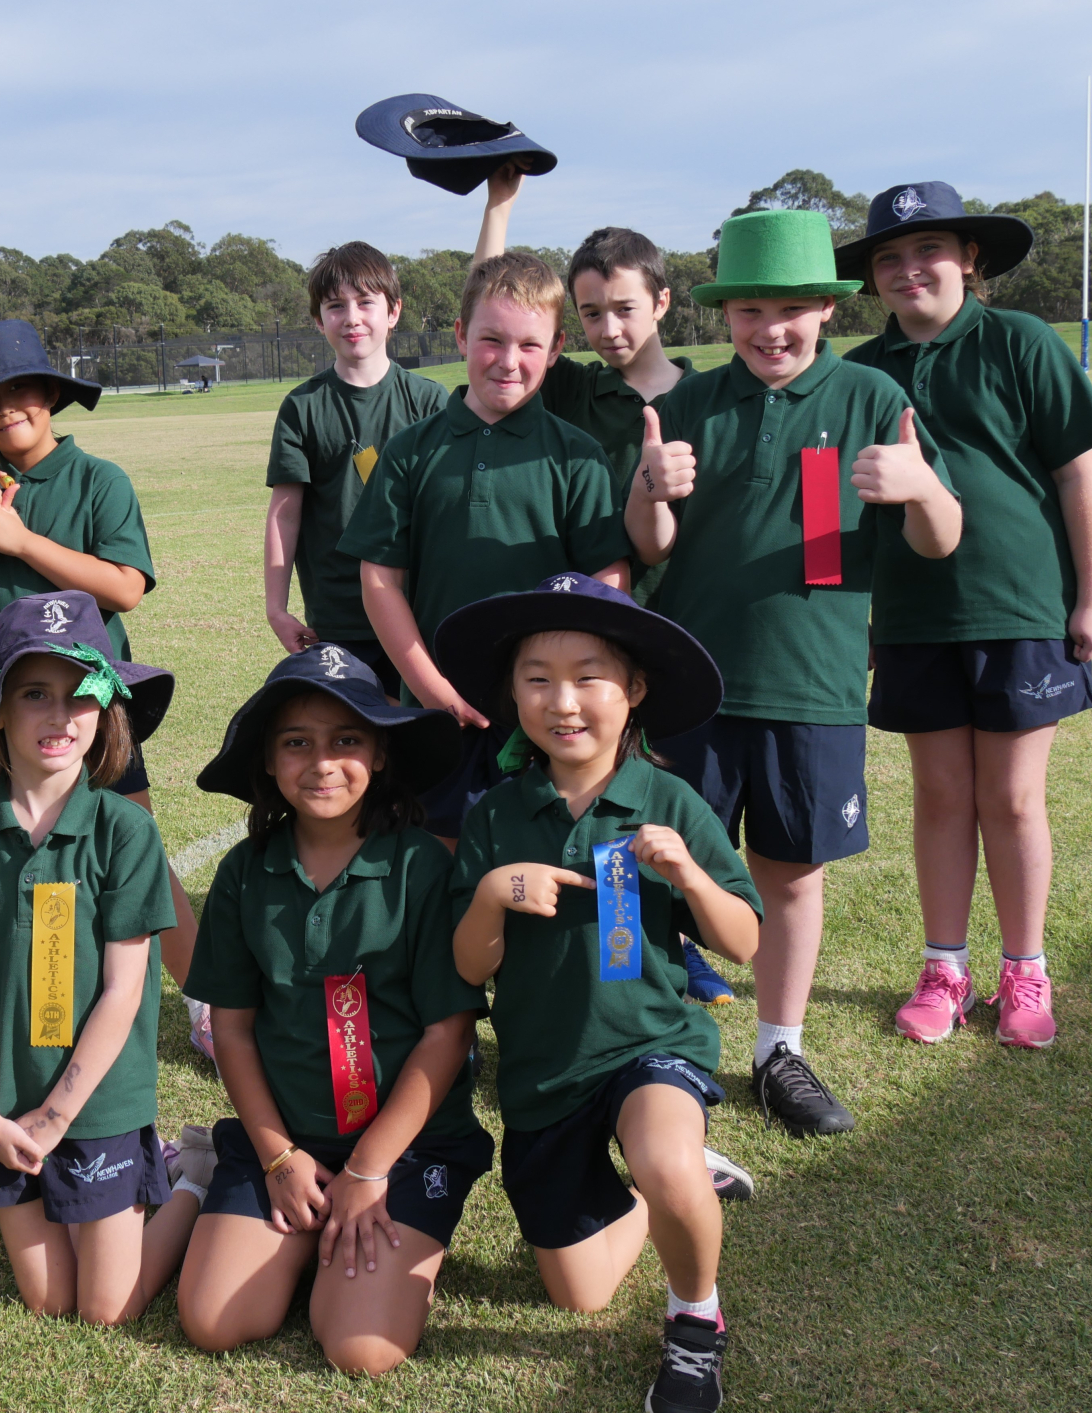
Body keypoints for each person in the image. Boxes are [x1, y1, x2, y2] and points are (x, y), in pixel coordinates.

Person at [625, 209, 963, 1137]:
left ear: (826, 309)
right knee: (664, 867)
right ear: (724, 314)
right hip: (691, 684)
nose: (770, 329)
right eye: (749, 310)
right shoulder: (689, 405)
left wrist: (921, 489)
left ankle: (779, 1050)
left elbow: (941, 539)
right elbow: (648, 544)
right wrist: (652, 487)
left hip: (812, 686)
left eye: (791, 309)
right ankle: (651, 1045)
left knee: (791, 872)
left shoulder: (870, 397)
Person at [439, 572, 761, 1413]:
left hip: (649, 1046)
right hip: (544, 1076)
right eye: (537, 679)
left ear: (635, 689)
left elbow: (743, 941)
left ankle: (695, 1323)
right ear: (512, 694)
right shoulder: (495, 815)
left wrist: (690, 875)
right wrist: (491, 894)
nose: (563, 701)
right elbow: (469, 969)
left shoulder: (668, 800)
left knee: (662, 1154)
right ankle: (672, 1185)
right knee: (578, 1293)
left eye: (589, 677)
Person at [836, 182, 1092, 1049]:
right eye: (889, 257)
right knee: (941, 796)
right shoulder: (858, 372)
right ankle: (944, 969)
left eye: (929, 250)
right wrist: (845, 618)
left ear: (970, 259)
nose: (909, 269)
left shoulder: (1021, 341)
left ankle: (1024, 971)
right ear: (872, 280)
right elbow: (831, 507)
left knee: (1013, 798)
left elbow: (1078, 475)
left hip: (1021, 609)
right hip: (912, 619)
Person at [176, 648, 490, 1375]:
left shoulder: (421, 866)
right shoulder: (243, 872)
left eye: (346, 739)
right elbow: (233, 1030)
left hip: (405, 1150)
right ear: (268, 761)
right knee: (216, 1320)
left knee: (361, 1349)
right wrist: (279, 1158)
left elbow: (448, 1034)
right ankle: (218, 1180)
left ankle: (364, 1242)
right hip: (287, 1142)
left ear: (379, 753)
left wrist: (370, 1170)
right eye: (297, 742)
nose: (322, 763)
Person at [0, 591, 201, 1324]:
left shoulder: (126, 830)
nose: (61, 716)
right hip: (4, 1102)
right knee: (47, 1300)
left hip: (96, 1103)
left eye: (81, 693)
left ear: (108, 710)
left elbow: (126, 989)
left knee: (106, 1310)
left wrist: (57, 1116)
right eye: (35, 693)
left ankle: (194, 1178)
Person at [475, 163, 734, 1005]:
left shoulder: (704, 396)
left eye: (624, 308)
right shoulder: (576, 386)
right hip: (588, 629)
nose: (608, 328)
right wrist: (499, 207)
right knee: (592, 779)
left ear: (662, 302)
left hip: (674, 618)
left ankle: (681, 935)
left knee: (668, 787)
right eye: (590, 313)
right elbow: (496, 304)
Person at [0, 319, 201, 1051]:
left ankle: (207, 1004)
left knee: (132, 844)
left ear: (49, 394)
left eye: (18, 390)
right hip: (0, 713)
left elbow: (125, 587)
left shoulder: (98, 480)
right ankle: (46, 997)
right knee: (21, 855)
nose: (4, 409)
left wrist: (22, 540)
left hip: (88, 710)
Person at [339, 251, 631, 845]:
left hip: (550, 713)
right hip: (437, 710)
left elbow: (608, 579)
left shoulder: (577, 456)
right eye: (491, 339)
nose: (508, 360)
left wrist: (569, 688)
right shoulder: (410, 452)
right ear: (460, 336)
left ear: (556, 349)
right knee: (440, 860)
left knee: (547, 858)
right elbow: (380, 580)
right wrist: (432, 691)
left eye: (530, 345)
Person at [264, 242, 449, 691]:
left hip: (420, 610)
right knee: (352, 727)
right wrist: (276, 607)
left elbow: (450, 510)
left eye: (366, 302)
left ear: (393, 311)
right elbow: (285, 514)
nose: (351, 317)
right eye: (335, 306)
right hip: (338, 616)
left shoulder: (429, 401)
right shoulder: (303, 407)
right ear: (318, 320)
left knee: (423, 723)